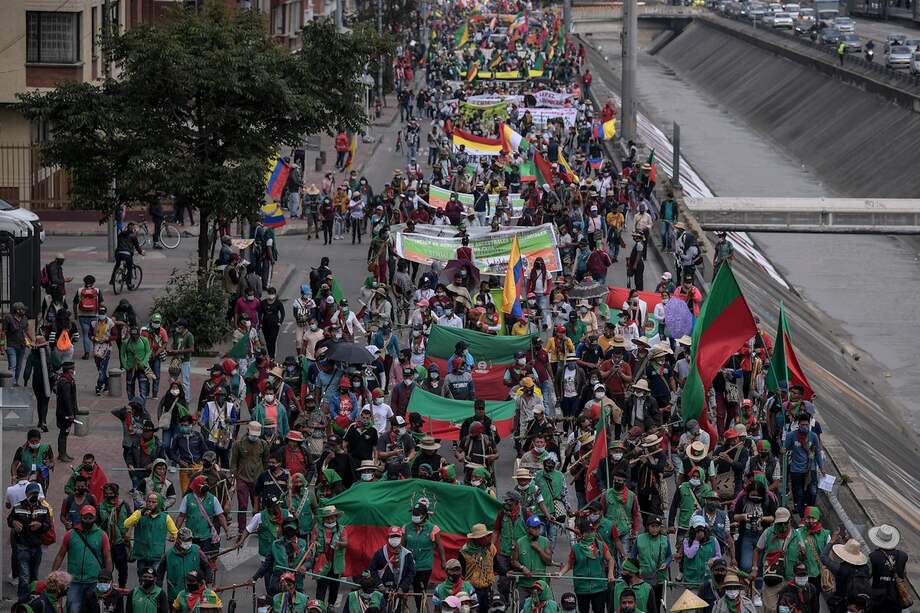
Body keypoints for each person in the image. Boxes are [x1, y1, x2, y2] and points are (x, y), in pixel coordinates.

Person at [51, 505, 114, 613]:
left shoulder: (102, 535)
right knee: (73, 609)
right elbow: (60, 555)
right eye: (85, 517)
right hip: (74, 581)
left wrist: (108, 578)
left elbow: (107, 557)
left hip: (94, 581)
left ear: (95, 518)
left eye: (90, 518)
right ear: (81, 517)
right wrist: (52, 575)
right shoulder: (70, 534)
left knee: (95, 610)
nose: (88, 520)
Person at [558, 517, 615, 613]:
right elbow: (569, 564)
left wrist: (610, 573)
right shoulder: (576, 548)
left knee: (599, 610)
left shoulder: (601, 545)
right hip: (582, 588)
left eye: (592, 531)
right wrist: (560, 573)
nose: (590, 534)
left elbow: (610, 559)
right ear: (581, 533)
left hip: (599, 586)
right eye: (587, 532)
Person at [8, 482, 51, 599]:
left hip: (37, 548)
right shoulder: (17, 507)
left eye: (36, 493)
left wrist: (40, 525)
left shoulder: (44, 509)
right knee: (24, 576)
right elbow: (9, 519)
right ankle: (22, 600)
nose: (35, 495)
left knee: (34, 576)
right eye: (32, 493)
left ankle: (32, 599)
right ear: (27, 493)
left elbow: (48, 525)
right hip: (23, 547)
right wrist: (13, 522)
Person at [124, 491, 179, 579]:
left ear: (159, 503)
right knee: (142, 578)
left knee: (155, 578)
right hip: (141, 554)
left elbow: (175, 533)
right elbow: (126, 524)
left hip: (157, 555)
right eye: (149, 501)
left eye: (154, 502)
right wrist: (141, 514)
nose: (150, 504)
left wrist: (173, 537)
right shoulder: (139, 513)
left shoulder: (165, 517)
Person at [403, 502, 446, 609]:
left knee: (420, 589)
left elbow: (440, 546)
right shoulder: (406, 527)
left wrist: (443, 561)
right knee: (403, 590)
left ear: (424, 515)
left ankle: (420, 609)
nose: (414, 516)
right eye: (413, 513)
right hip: (409, 565)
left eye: (417, 514)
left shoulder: (433, 528)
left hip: (424, 566)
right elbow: (401, 546)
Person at [156, 528, 213, 604]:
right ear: (178, 540)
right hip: (175, 594)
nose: (188, 543)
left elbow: (207, 566)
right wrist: (158, 590)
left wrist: (208, 583)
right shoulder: (168, 555)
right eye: (185, 540)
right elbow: (160, 572)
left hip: (195, 593)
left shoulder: (197, 551)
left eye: (189, 540)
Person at [310, 505, 348, 606]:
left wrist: (339, 544)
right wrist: (314, 543)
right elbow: (312, 540)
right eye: (327, 518)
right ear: (323, 519)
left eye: (332, 517)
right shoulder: (317, 528)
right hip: (321, 562)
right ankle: (319, 606)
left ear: (336, 517)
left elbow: (346, 543)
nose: (330, 520)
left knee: (334, 586)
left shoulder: (341, 529)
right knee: (321, 585)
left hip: (335, 562)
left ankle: (331, 605)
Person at [867, 524, 909, 613]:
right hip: (896, 599)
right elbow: (903, 574)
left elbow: (868, 576)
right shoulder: (903, 556)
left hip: (878, 599)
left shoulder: (873, 556)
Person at [459, 523, 497, 613]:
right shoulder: (465, 551)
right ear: (476, 539)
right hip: (472, 588)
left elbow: (495, 565)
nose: (486, 538)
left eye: (486, 536)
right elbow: (462, 572)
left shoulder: (491, 548)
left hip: (488, 587)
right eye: (483, 537)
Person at [11, 428, 55, 493]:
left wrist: (49, 465)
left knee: (41, 497)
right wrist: (14, 476)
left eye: (36, 441)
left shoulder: (46, 448)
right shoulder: (21, 451)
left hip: (42, 478)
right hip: (26, 478)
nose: (34, 443)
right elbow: (14, 464)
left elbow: (52, 461)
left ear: (40, 440)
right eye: (32, 441)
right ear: (28, 441)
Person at [4, 301, 33, 384]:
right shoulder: (8, 318)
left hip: (21, 346)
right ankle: (11, 384)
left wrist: (33, 341)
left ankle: (15, 382)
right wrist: (2, 345)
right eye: (22, 310)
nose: (24, 311)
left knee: (19, 366)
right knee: (12, 366)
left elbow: (27, 331)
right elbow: (3, 332)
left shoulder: (24, 318)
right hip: (11, 346)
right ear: (17, 310)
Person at [54, 361, 78, 462]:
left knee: (64, 433)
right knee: (64, 432)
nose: (74, 371)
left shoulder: (66, 380)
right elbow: (67, 399)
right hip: (65, 413)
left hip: (64, 412)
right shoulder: (66, 382)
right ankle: (62, 454)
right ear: (69, 370)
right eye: (72, 369)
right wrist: (71, 413)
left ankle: (63, 453)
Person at [111, 222, 145, 289]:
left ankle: (112, 280)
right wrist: (141, 252)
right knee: (130, 268)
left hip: (118, 253)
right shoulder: (133, 236)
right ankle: (129, 284)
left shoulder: (120, 234)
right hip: (127, 254)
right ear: (133, 229)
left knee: (117, 265)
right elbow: (137, 247)